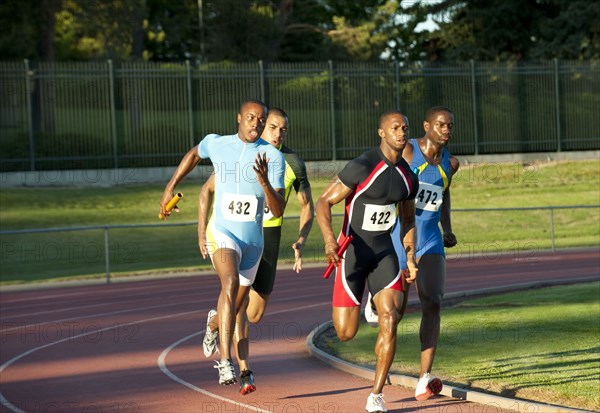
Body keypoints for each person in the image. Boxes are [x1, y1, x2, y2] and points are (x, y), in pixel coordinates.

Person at [159, 99, 286, 392]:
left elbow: (278, 210)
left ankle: (213, 323)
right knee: (228, 284)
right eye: (251, 117)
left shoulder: (272, 157)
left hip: (253, 242)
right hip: (223, 231)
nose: (256, 123)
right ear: (239, 118)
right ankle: (225, 362)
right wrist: (170, 186)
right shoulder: (217, 144)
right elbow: (193, 155)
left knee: (238, 305)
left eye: (261, 119)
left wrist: (265, 183)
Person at [198, 107, 314, 395]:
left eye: (282, 129)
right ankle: (244, 370)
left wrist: (301, 239)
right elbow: (209, 188)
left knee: (254, 311)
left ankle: (214, 321)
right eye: (272, 127)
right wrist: (202, 230)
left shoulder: (291, 163)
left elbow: (307, 206)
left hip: (268, 237)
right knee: (235, 296)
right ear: (262, 127)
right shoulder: (243, 154)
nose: (277, 133)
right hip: (236, 233)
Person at [316, 111, 419, 413]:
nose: (401, 133)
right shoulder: (362, 166)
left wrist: (410, 256)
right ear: (382, 133)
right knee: (346, 333)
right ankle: (368, 301)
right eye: (395, 128)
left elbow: (409, 218)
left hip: (384, 253)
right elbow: (324, 201)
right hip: (352, 254)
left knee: (391, 319)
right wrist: (329, 240)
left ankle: (376, 395)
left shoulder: (407, 177)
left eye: (405, 128)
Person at [391, 106, 460, 401]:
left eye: (450, 126)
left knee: (433, 302)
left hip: (430, 239)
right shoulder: (407, 151)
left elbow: (443, 196)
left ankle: (424, 378)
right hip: (400, 238)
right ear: (427, 125)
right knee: (394, 312)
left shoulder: (451, 163)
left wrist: (447, 228)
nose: (446, 130)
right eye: (441, 125)